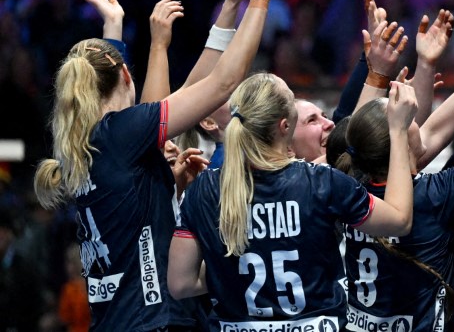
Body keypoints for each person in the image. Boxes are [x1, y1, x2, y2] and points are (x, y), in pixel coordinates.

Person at [33, 0, 288, 332]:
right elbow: (222, 83)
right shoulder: (121, 133)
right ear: (125, 75)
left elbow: (154, 92)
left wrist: (227, 8)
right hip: (152, 323)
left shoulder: (85, 143)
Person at [167, 73, 417, 330]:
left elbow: (180, 284)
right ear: (285, 126)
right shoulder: (321, 182)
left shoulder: (203, 189)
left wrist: (229, 269)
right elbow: (399, 220)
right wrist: (398, 130)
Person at [325, 9, 454, 332]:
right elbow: (439, 134)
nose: (418, 121)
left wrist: (432, 65)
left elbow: (429, 132)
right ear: (399, 142)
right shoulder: (434, 196)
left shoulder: (350, 184)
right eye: (408, 121)